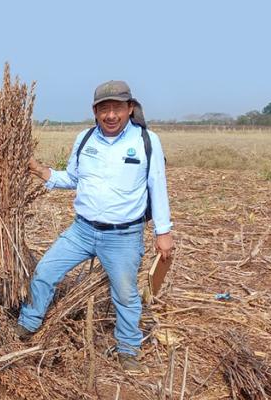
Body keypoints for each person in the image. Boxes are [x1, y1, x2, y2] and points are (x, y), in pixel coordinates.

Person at [16, 80, 173, 374]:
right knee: (45, 272)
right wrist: (39, 170)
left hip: (123, 236)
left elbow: (157, 187)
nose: (110, 115)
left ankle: (128, 349)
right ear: (95, 111)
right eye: (104, 109)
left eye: (117, 108)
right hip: (82, 231)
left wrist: (163, 232)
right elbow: (73, 178)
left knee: (125, 296)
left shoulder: (146, 140)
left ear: (129, 109)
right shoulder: (85, 139)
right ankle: (28, 323)